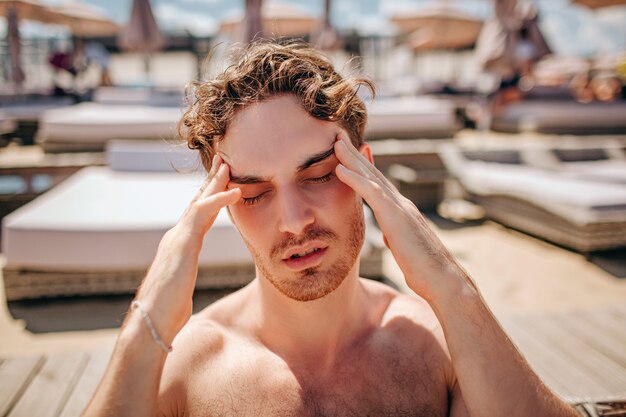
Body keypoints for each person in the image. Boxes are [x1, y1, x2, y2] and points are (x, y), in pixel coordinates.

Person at [84, 42, 578, 416]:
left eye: (318, 175)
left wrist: (453, 287)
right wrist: (145, 323)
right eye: (254, 193)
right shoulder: (186, 364)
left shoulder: (438, 343)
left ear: (368, 175)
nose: (294, 220)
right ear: (225, 207)